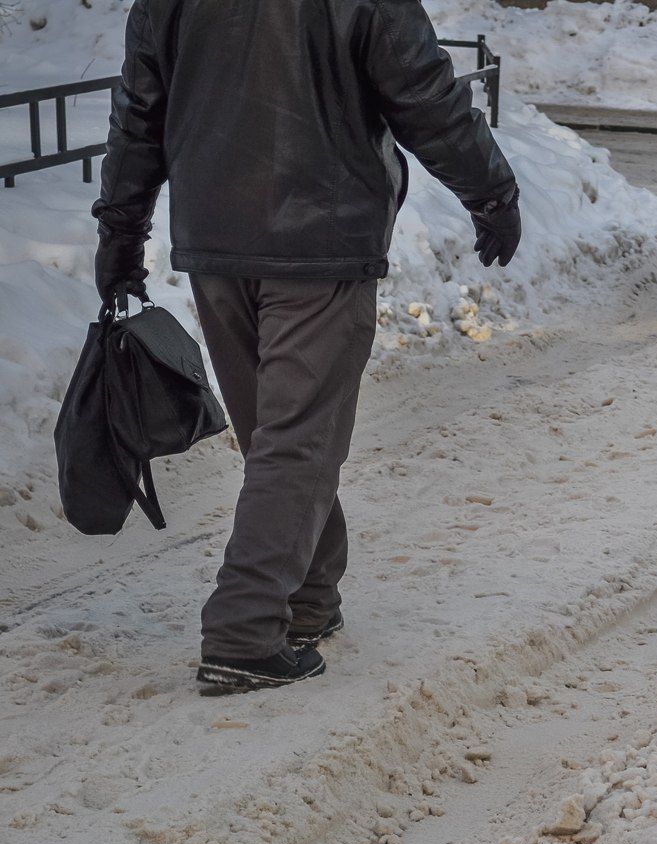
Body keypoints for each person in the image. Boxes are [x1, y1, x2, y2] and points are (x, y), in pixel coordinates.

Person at [92, 0, 523, 690]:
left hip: (217, 239)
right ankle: (243, 627)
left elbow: (138, 114)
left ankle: (309, 597)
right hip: (322, 238)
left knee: (279, 434)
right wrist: (492, 192)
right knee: (295, 438)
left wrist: (120, 234)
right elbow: (425, 95)